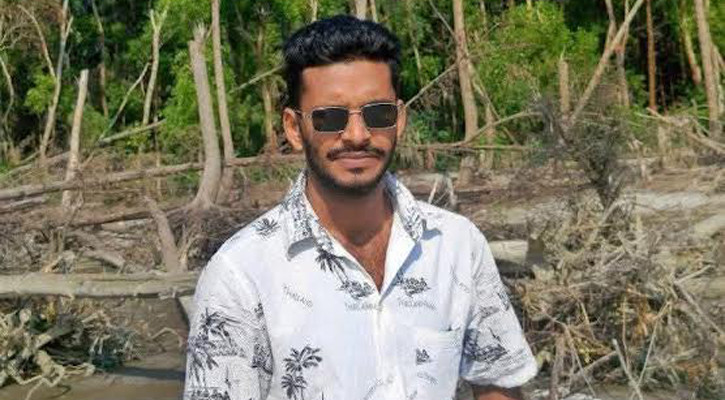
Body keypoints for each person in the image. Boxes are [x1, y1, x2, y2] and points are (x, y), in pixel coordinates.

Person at [183, 15, 537, 400]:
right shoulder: (240, 275)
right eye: (330, 117)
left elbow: (497, 382)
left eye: (377, 114)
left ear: (399, 119)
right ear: (294, 128)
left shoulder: (456, 246)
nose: (356, 135)